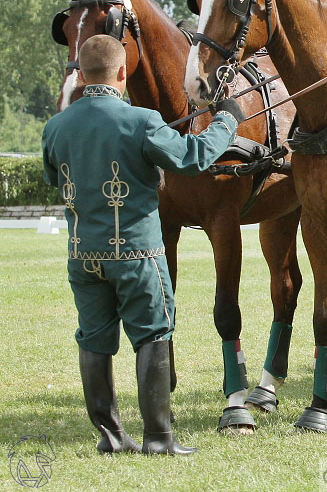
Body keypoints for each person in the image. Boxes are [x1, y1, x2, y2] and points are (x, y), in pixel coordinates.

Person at [42, 35, 244, 456]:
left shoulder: (55, 126)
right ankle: (158, 438)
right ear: (121, 73)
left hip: (83, 254)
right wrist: (227, 121)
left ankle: (112, 437)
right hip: (137, 254)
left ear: (80, 75)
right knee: (153, 334)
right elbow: (193, 157)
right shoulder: (143, 120)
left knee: (94, 340)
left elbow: (52, 177)